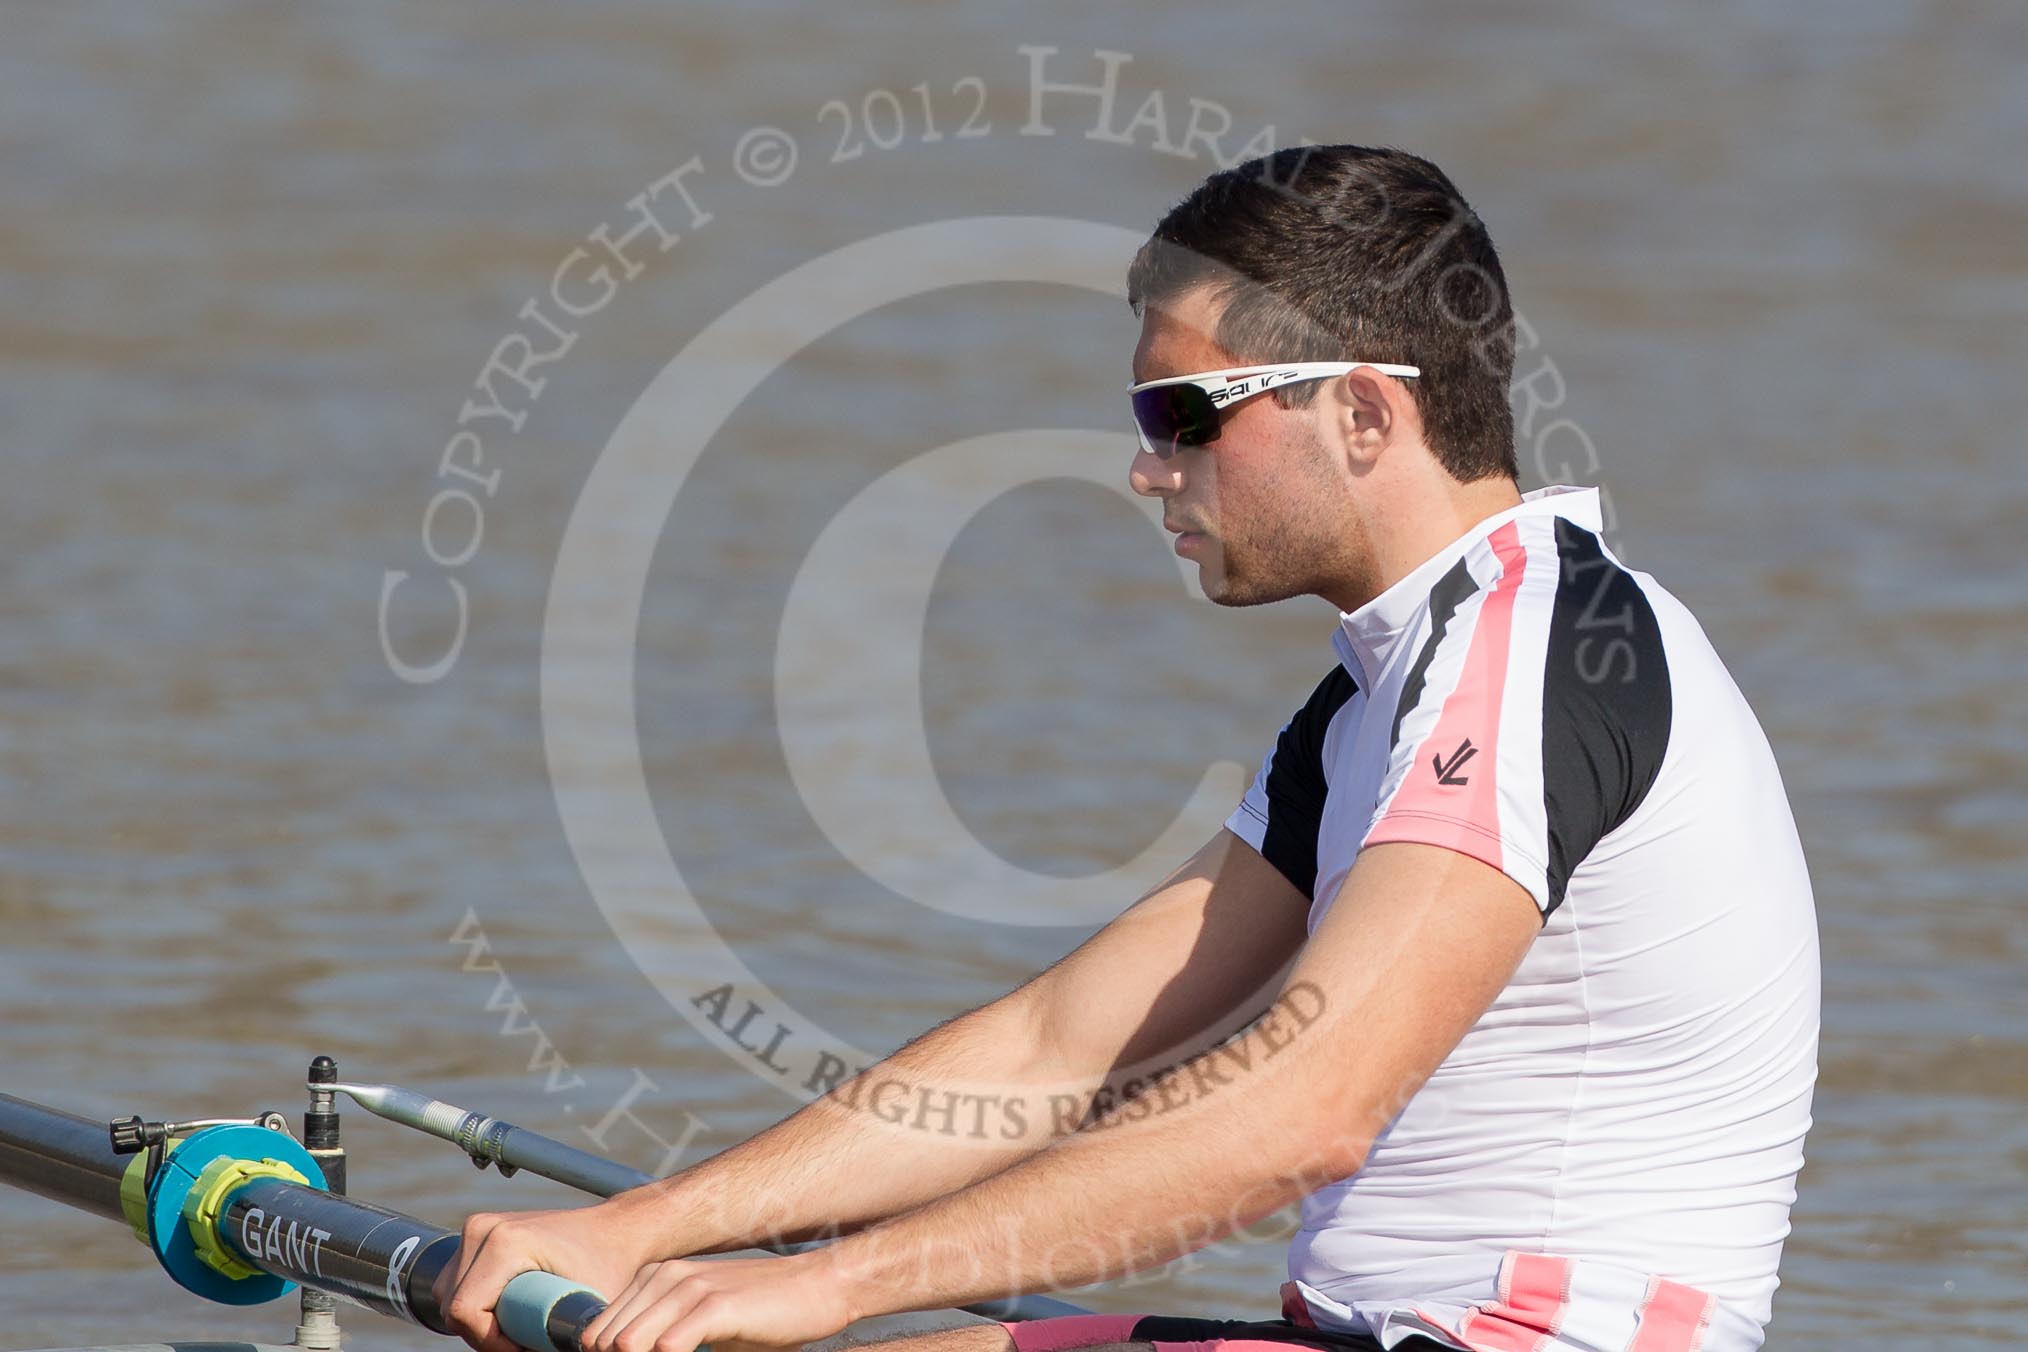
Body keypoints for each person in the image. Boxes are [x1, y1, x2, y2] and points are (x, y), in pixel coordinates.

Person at [438, 146, 1819, 1352]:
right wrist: (645, 1230)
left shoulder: (1531, 656)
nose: (1151, 468)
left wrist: (834, 1284)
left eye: (1184, 417)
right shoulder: (1372, 702)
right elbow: (1061, 1044)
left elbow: (1304, 1108)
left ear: (1364, 413)